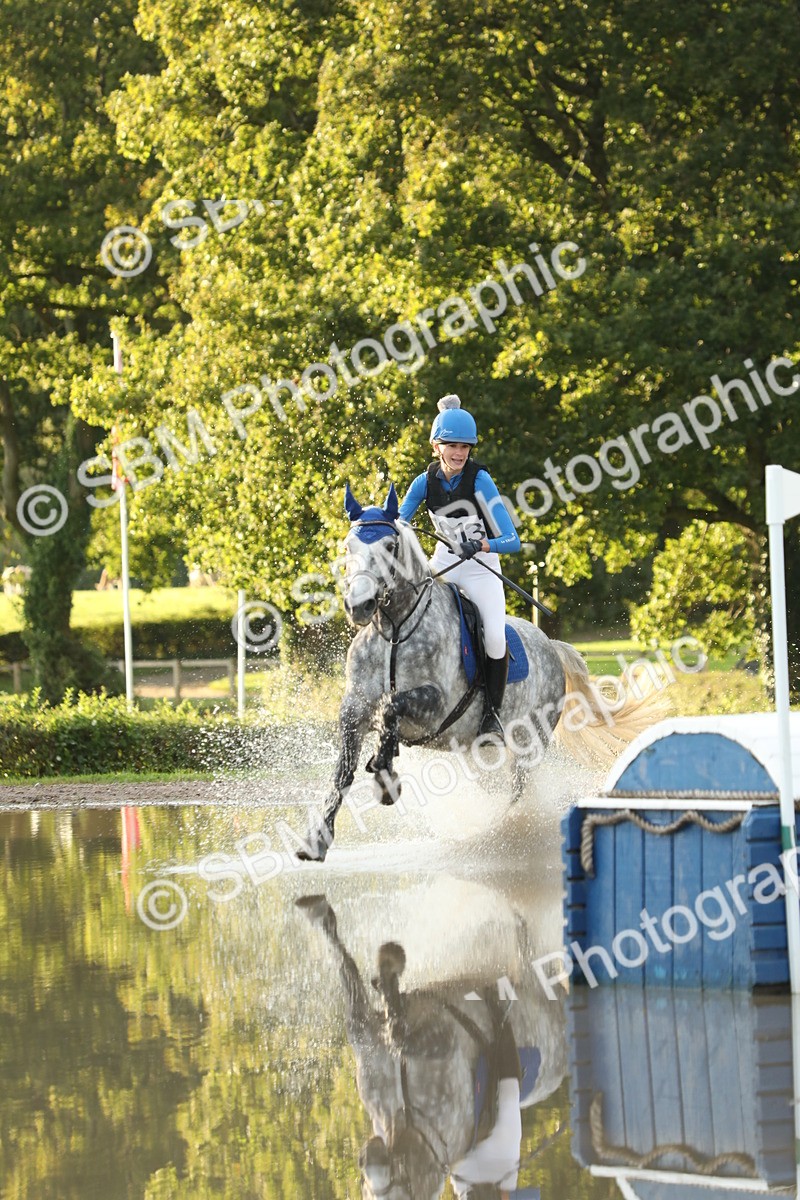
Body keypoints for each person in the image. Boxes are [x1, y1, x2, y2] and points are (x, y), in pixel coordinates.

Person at [399, 393, 521, 738]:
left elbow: (512, 540)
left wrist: (480, 544)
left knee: (495, 638)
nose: (458, 453)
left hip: (482, 569)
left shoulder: (480, 481)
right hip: (442, 566)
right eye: (451, 445)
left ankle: (492, 718)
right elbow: (397, 524)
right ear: (436, 446)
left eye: (465, 447)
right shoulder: (423, 483)